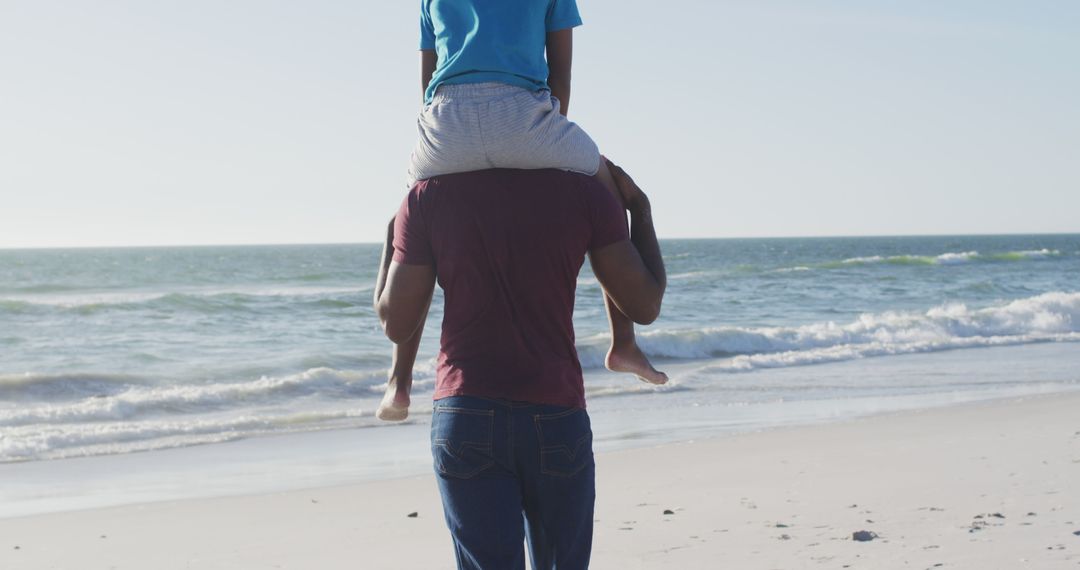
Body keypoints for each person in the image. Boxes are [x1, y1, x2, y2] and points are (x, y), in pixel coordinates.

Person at [375, 0, 665, 422]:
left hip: (447, 124)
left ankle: (399, 382)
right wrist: (543, 141)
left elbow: (427, 84)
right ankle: (624, 343)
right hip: (521, 114)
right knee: (609, 190)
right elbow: (560, 76)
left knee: (410, 222)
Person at [373, 162, 666, 569]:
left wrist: (394, 231)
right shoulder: (583, 191)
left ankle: (397, 383)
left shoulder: (429, 195)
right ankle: (624, 347)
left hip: (467, 413)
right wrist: (641, 208)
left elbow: (396, 323)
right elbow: (645, 304)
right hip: (555, 413)